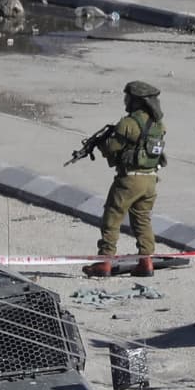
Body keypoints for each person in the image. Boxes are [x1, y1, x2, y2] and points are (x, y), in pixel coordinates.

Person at [83, 80, 167, 278]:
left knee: (112, 217)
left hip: (130, 180)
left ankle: (105, 262)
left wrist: (101, 144)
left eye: (128, 97)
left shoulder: (129, 123)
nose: (125, 101)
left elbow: (112, 147)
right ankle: (146, 262)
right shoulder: (158, 124)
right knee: (142, 220)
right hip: (150, 179)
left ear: (137, 101)